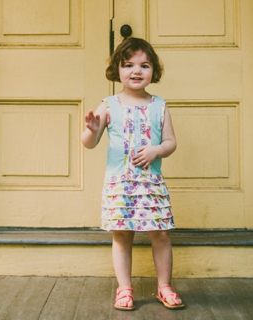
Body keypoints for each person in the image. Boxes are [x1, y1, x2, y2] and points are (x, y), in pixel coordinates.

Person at [81, 37, 184, 311]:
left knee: (160, 234)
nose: (136, 71)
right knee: (122, 235)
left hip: (150, 183)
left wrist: (156, 151)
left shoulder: (159, 105)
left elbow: (171, 142)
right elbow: (89, 143)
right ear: (118, 69)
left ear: (153, 71)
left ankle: (164, 287)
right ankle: (125, 289)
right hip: (120, 185)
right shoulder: (109, 104)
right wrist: (91, 129)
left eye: (144, 65)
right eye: (128, 65)